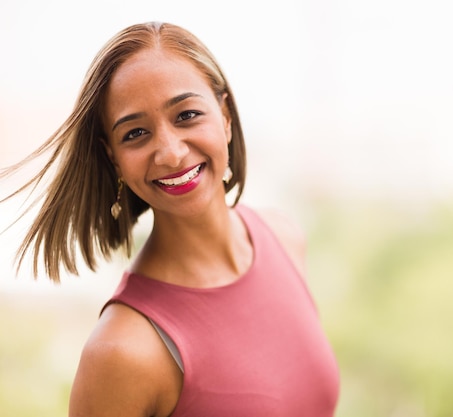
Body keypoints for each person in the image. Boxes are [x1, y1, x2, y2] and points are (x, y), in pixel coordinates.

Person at [1, 21, 340, 416]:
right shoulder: (124, 349)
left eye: (187, 115)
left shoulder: (284, 236)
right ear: (113, 157)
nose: (170, 152)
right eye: (136, 133)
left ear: (225, 116)